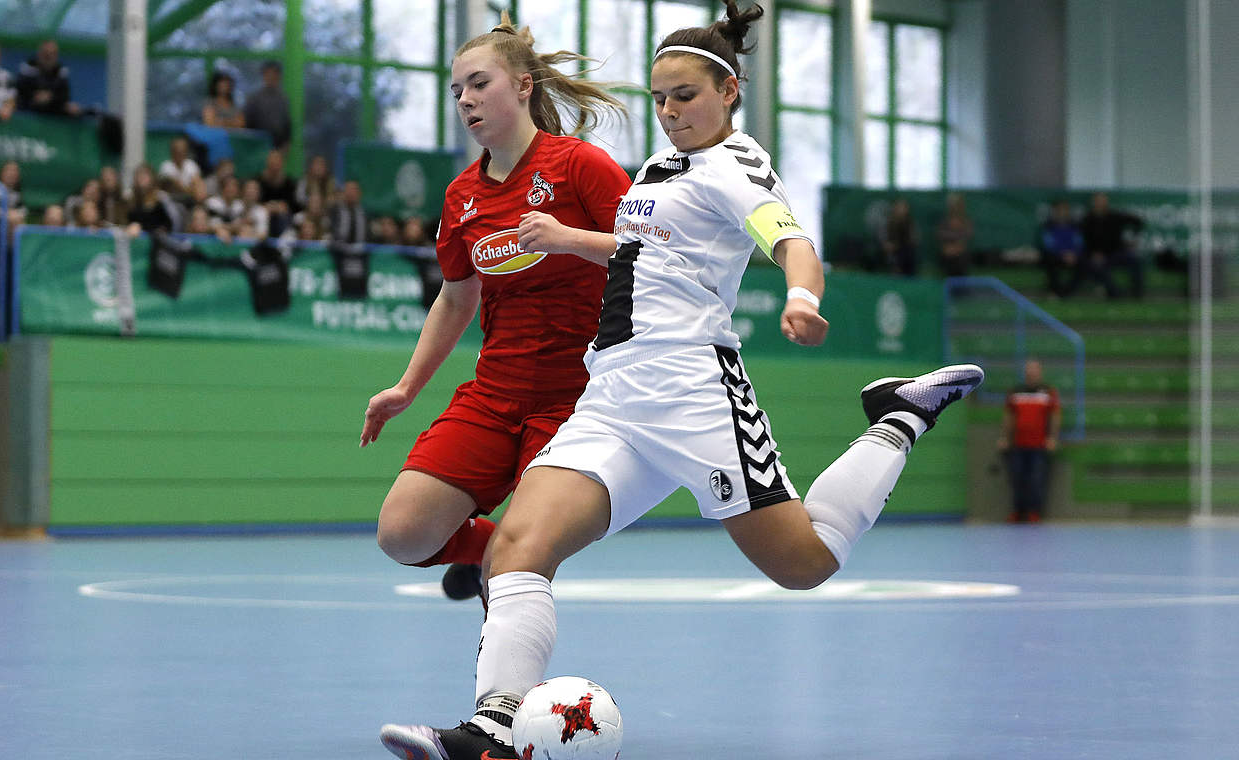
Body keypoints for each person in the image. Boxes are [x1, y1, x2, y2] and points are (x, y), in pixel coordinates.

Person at [377, 4, 983, 758]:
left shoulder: (737, 166)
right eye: (660, 98)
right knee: (515, 550)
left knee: (805, 562)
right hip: (613, 394)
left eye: (686, 96)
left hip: (694, 393)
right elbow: (635, 256)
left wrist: (802, 296)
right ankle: (493, 729)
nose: (669, 112)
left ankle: (899, 416)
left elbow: (791, 242)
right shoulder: (661, 168)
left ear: (729, 92)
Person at [359, 12, 630, 610]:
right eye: (457, 91)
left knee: (519, 560)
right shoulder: (462, 197)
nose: (467, 100)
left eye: (480, 84)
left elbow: (651, 255)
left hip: (576, 399)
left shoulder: (578, 165)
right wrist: (407, 387)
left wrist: (570, 239)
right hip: (495, 392)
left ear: (524, 86)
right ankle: (487, 554)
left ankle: (506, 700)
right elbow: (456, 296)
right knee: (402, 533)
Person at [999, 359, 1060, 523]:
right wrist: (1005, 438)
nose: (1031, 372)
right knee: (1017, 479)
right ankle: (1018, 511)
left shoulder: (1048, 392)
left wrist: (1052, 438)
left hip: (1039, 446)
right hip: (1018, 445)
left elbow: (1054, 416)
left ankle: (1034, 512)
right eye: (1029, 369)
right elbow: (1009, 417)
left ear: (1040, 372)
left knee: (1036, 480)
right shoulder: (1015, 392)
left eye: (1034, 369)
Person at [1080, 191, 1144, 299]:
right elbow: (1084, 241)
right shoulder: (1087, 219)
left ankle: (1137, 294)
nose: (1100, 204)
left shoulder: (1115, 216)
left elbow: (1138, 221)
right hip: (1097, 256)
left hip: (1116, 253)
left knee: (1136, 261)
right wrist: (1093, 254)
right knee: (1095, 266)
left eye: (1103, 201)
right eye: (1098, 201)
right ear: (1094, 203)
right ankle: (1116, 295)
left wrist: (1132, 239)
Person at [15, 40, 81, 117]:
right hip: (28, 112)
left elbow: (64, 97)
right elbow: (19, 94)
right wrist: (35, 97)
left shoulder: (62, 72)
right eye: (45, 54)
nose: (48, 57)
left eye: (52, 54)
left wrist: (51, 97)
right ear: (39, 54)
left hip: (53, 111)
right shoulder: (27, 70)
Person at [1039, 199, 1084, 297]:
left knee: (1085, 263)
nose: (1062, 212)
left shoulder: (1074, 226)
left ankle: (1067, 292)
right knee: (1048, 260)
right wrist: (1062, 254)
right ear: (1054, 211)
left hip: (1073, 256)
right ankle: (1057, 291)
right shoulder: (1048, 226)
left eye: (1065, 209)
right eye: (1059, 210)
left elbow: (1079, 243)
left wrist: (1074, 254)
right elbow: (1048, 244)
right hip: (1056, 256)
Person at [243, 60, 291, 150]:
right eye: (268, 74)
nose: (271, 77)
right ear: (264, 76)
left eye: (274, 74)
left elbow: (287, 123)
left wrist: (286, 143)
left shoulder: (283, 98)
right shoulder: (254, 98)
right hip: (257, 143)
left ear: (279, 76)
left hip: (278, 144)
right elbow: (247, 122)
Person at [125, 164, 176, 236]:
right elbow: (128, 222)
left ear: (152, 178)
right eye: (139, 176)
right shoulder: (131, 199)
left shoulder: (161, 198)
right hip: (137, 240)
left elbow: (171, 224)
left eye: (145, 175)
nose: (141, 178)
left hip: (159, 240)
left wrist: (141, 227)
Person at [936, 191, 974, 277]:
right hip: (947, 254)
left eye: (956, 203)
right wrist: (949, 248)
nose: (954, 206)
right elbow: (940, 234)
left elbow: (967, 234)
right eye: (952, 203)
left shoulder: (966, 221)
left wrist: (957, 247)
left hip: (960, 254)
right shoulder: (944, 221)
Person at [879, 196, 918, 276]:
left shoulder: (910, 223)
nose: (901, 210)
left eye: (904, 208)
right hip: (891, 252)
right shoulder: (887, 223)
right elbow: (883, 240)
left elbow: (915, 239)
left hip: (906, 251)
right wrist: (888, 245)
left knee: (907, 254)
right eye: (899, 207)